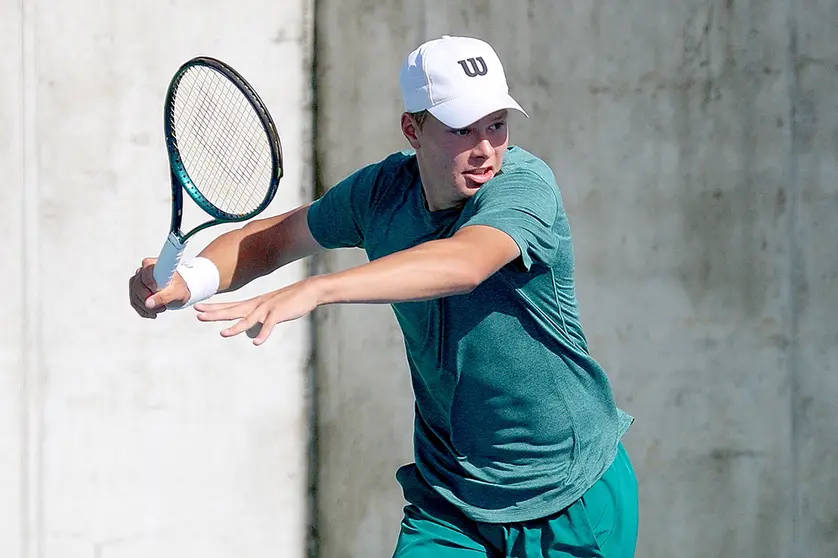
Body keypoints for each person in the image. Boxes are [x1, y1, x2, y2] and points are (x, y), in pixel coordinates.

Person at [129, 35, 638, 558]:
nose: (485, 148)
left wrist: (319, 288)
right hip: (452, 497)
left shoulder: (525, 186)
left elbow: (465, 263)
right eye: (461, 128)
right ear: (412, 129)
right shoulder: (381, 193)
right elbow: (273, 240)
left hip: (571, 491)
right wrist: (190, 280)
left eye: (496, 125)